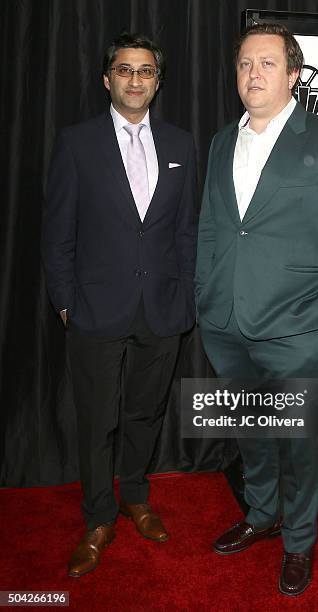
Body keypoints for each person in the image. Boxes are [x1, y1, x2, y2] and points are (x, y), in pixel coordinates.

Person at [195, 23, 318, 596]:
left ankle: (299, 541)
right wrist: (205, 297)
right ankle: (261, 513)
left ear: (293, 75)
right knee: (251, 433)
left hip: (298, 331)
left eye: (267, 64)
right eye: (245, 64)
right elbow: (214, 230)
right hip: (225, 326)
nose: (253, 74)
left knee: (297, 445)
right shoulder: (222, 141)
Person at [42, 32, 197, 577]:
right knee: (97, 419)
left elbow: (185, 232)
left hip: (161, 307)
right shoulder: (77, 142)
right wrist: (65, 302)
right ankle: (98, 517)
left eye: (146, 71)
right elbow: (57, 233)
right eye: (126, 70)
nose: (136, 79)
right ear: (108, 79)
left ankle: (135, 495)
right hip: (94, 309)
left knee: (145, 412)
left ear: (157, 82)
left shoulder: (181, 145)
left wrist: (186, 291)